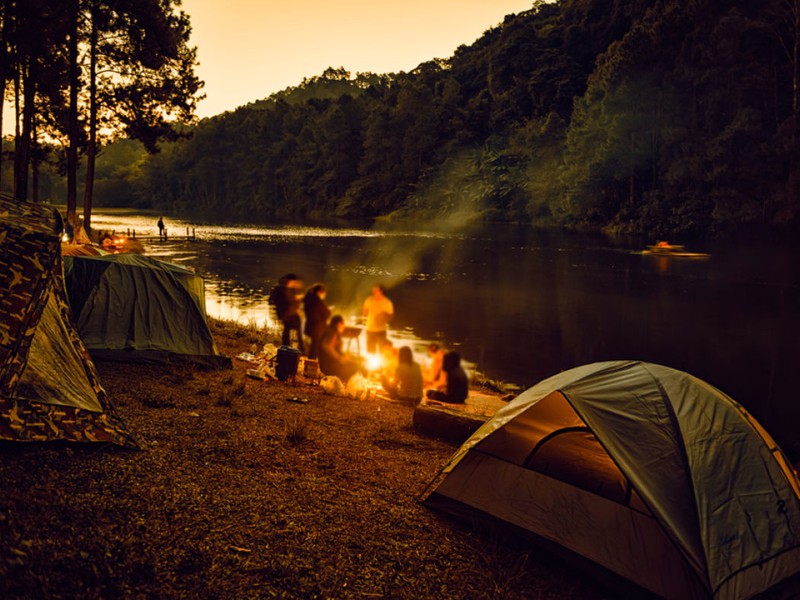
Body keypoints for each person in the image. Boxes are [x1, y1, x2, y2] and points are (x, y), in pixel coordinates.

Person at [270, 273, 305, 353]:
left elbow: (292, 301)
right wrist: (299, 297)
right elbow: (287, 300)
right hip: (287, 314)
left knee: (290, 330)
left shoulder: (290, 289)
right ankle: (295, 348)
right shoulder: (282, 290)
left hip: (291, 313)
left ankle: (288, 347)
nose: (296, 284)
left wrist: (298, 309)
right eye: (295, 282)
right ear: (291, 281)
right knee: (291, 330)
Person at [318, 315, 359, 383]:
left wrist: (345, 357)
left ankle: (341, 382)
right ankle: (341, 383)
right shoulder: (332, 331)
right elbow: (326, 345)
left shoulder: (331, 331)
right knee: (353, 367)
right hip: (329, 365)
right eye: (343, 324)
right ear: (339, 324)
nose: (344, 327)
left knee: (353, 364)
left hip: (329, 363)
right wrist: (339, 358)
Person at [362, 284, 394, 354]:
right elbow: (365, 312)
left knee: (382, 351)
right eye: (373, 290)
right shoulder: (369, 300)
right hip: (370, 329)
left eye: (376, 290)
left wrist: (383, 317)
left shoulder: (387, 302)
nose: (374, 292)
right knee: (370, 351)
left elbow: (391, 316)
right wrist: (364, 310)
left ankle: (382, 364)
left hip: (381, 330)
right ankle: (371, 363)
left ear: (381, 291)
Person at [303, 283, 331, 360]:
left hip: (310, 326)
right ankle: (312, 363)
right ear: (320, 292)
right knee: (315, 347)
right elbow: (327, 313)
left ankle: (311, 361)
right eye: (324, 294)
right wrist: (329, 311)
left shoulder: (308, 299)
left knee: (314, 346)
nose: (324, 296)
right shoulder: (318, 301)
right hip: (317, 328)